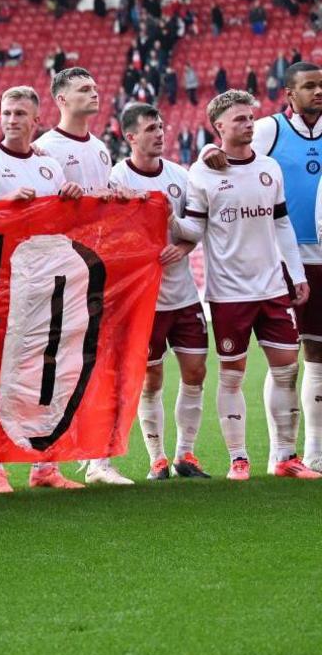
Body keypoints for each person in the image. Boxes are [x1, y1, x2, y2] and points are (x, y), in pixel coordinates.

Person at [0, 86, 86, 493]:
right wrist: (3, 202)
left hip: (45, 286)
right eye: (7, 112)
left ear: (36, 121)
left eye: (21, 113)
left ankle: (45, 465)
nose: (11, 119)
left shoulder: (49, 166)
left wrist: (71, 197)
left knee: (46, 374)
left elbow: (63, 222)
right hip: (1, 285)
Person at [178, 91, 315, 480]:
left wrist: (298, 273)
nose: (249, 124)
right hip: (229, 294)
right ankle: (238, 458)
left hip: (273, 288)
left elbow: (282, 224)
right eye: (239, 119)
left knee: (287, 369)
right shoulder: (203, 172)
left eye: (250, 117)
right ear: (218, 126)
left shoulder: (269, 167)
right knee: (232, 372)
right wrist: (167, 224)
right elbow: (192, 227)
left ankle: (285, 457)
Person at [34, 67, 136, 486]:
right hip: (58, 272)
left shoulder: (99, 149)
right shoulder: (43, 149)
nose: (94, 93)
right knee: (56, 367)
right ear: (60, 99)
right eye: (83, 89)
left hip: (97, 270)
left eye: (95, 87)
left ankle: (98, 460)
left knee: (99, 365)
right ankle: (45, 463)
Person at [109, 103, 210, 482]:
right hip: (144, 300)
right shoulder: (116, 178)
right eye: (151, 128)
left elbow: (196, 231)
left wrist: (178, 240)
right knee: (151, 379)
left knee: (196, 372)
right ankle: (157, 458)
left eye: (161, 127)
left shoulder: (180, 176)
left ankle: (187, 454)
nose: (160, 133)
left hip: (183, 294)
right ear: (131, 136)